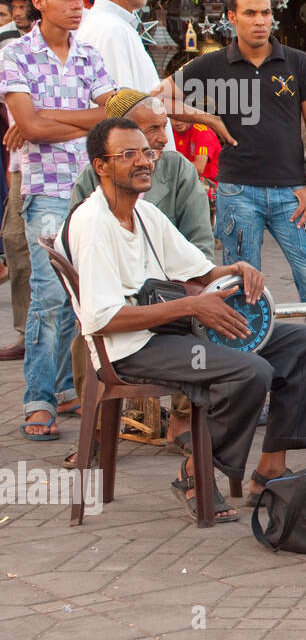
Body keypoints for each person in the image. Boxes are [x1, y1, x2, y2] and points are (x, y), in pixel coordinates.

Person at [65, 116, 306, 523]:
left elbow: (199, 272)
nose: (144, 161)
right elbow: (102, 319)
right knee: (249, 372)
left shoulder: (145, 213)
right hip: (128, 348)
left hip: (168, 329)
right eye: (128, 154)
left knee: (302, 345)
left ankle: (270, 469)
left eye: (147, 153)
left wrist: (236, 268)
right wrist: (191, 307)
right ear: (101, 166)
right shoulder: (93, 223)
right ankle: (193, 474)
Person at [172, 0, 306, 350]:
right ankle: (246, 372)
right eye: (250, 13)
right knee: (241, 289)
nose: (260, 21)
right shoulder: (213, 64)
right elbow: (150, 98)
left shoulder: (296, 61)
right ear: (232, 17)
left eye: (266, 12)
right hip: (238, 193)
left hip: (294, 195)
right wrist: (208, 119)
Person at [2, 0, 116, 441]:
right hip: (46, 187)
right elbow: (29, 128)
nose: (76, 5)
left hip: (92, 183)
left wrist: (48, 117)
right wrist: (73, 121)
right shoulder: (16, 55)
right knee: (50, 296)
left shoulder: (89, 53)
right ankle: (40, 398)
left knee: (84, 291)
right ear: (39, 1)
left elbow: (115, 114)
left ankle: (66, 391)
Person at [68, 90, 216, 455]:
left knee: (200, 313)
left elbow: (199, 245)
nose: (162, 138)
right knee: (86, 324)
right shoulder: (95, 175)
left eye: (163, 126)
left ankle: (181, 421)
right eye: (151, 129)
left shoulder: (179, 169)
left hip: (173, 284)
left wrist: (185, 290)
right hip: (115, 290)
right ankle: (100, 429)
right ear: (121, 134)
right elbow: (75, 243)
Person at [78, 0, 231, 153]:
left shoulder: (115, 26)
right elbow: (123, 110)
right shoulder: (109, 30)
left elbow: (146, 99)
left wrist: (208, 118)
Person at [0, 0, 34, 360]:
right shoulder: (11, 49)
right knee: (14, 238)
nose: (20, 10)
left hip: (53, 162)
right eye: (18, 4)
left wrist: (33, 122)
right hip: (17, 162)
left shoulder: (82, 46)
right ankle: (27, 331)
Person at [170, 115, 221, 202]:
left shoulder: (202, 131)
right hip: (185, 180)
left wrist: (170, 170)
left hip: (213, 187)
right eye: (174, 118)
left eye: (181, 117)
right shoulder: (168, 132)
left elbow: (199, 168)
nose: (178, 122)